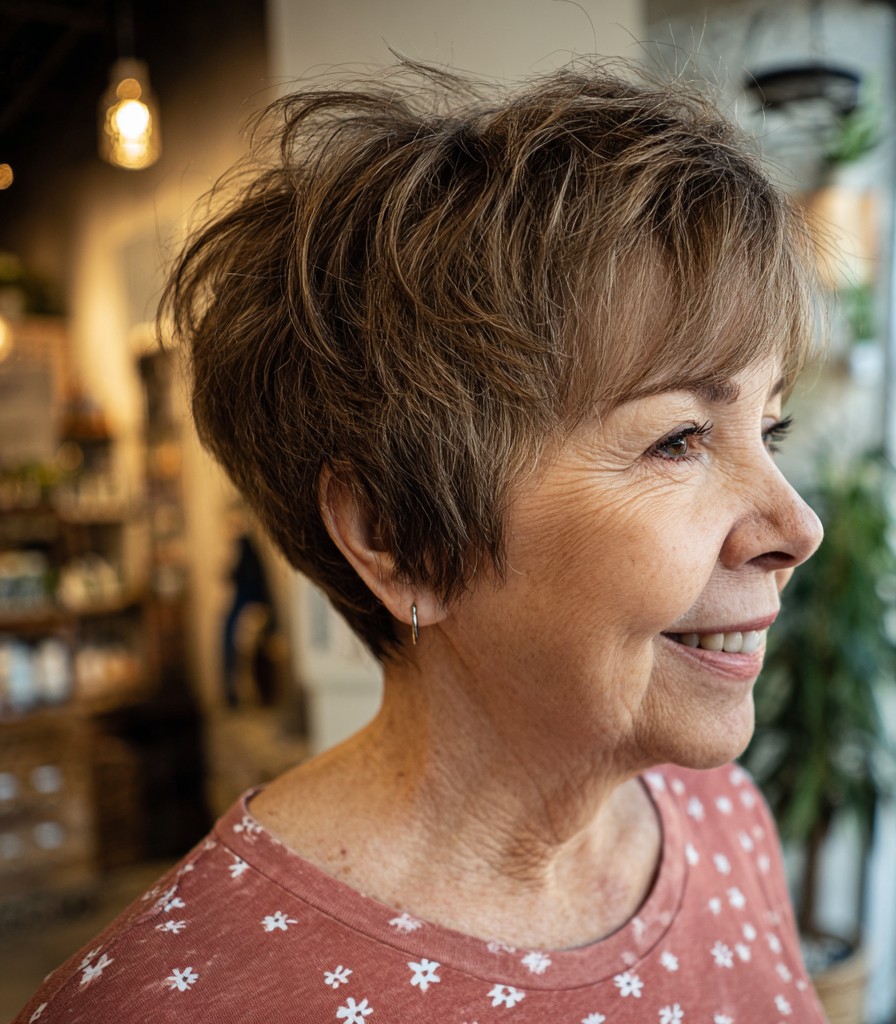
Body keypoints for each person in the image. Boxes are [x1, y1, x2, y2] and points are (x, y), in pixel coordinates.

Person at [15, 62, 827, 1023]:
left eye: (768, 432)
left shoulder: (724, 819)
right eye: (679, 439)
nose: (799, 529)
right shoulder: (167, 1005)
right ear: (396, 535)